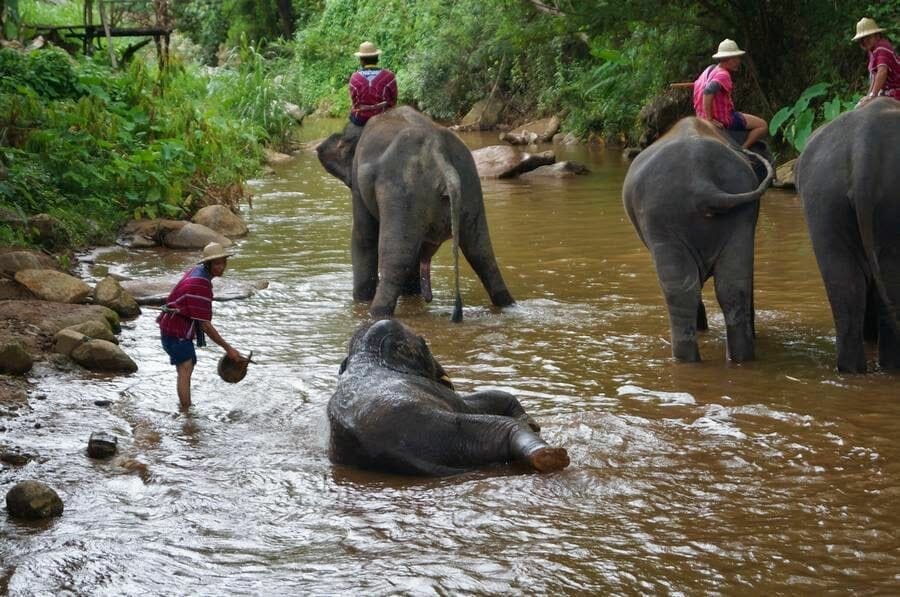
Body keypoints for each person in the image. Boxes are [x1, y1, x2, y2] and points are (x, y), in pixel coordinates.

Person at [158, 242, 242, 410]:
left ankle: (185, 408)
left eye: (223, 262)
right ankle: (186, 412)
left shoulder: (198, 274)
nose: (222, 267)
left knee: (185, 367)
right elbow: (204, 325)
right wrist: (228, 348)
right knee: (185, 369)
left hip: (172, 326)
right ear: (208, 264)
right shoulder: (200, 284)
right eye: (217, 263)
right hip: (177, 331)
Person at [692, 39, 768, 149]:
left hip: (700, 117)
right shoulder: (723, 75)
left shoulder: (710, 70)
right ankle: (743, 148)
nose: (739, 61)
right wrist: (710, 119)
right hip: (723, 118)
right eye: (737, 58)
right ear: (731, 59)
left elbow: (702, 87)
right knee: (762, 125)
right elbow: (708, 91)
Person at [348, 41, 397, 127]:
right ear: (377, 59)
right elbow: (393, 100)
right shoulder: (389, 76)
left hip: (361, 119)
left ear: (361, 61)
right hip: (384, 117)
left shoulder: (354, 77)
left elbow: (354, 102)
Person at [852, 17, 900, 106]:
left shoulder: (882, 47)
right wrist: (869, 96)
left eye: (868, 37)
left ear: (877, 35)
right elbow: (874, 76)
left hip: (896, 88)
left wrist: (872, 95)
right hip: (887, 89)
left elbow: (882, 71)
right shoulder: (873, 51)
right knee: (862, 104)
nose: (865, 41)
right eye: (862, 39)